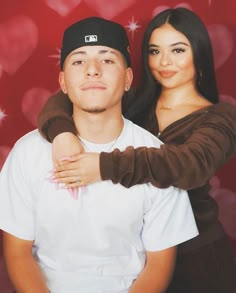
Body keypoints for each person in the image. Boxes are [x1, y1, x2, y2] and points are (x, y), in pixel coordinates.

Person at [37, 8, 236, 293]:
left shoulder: (221, 117)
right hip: (135, 258)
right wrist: (62, 133)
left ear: (199, 53)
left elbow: (191, 165)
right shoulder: (133, 102)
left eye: (178, 50)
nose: (165, 61)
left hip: (196, 259)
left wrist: (104, 166)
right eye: (155, 51)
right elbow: (66, 97)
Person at [0, 16, 199, 293]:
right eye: (79, 61)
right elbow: (17, 251)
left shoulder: (156, 158)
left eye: (107, 60)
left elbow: (159, 263)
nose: (92, 70)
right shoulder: (27, 153)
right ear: (63, 81)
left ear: (128, 78)